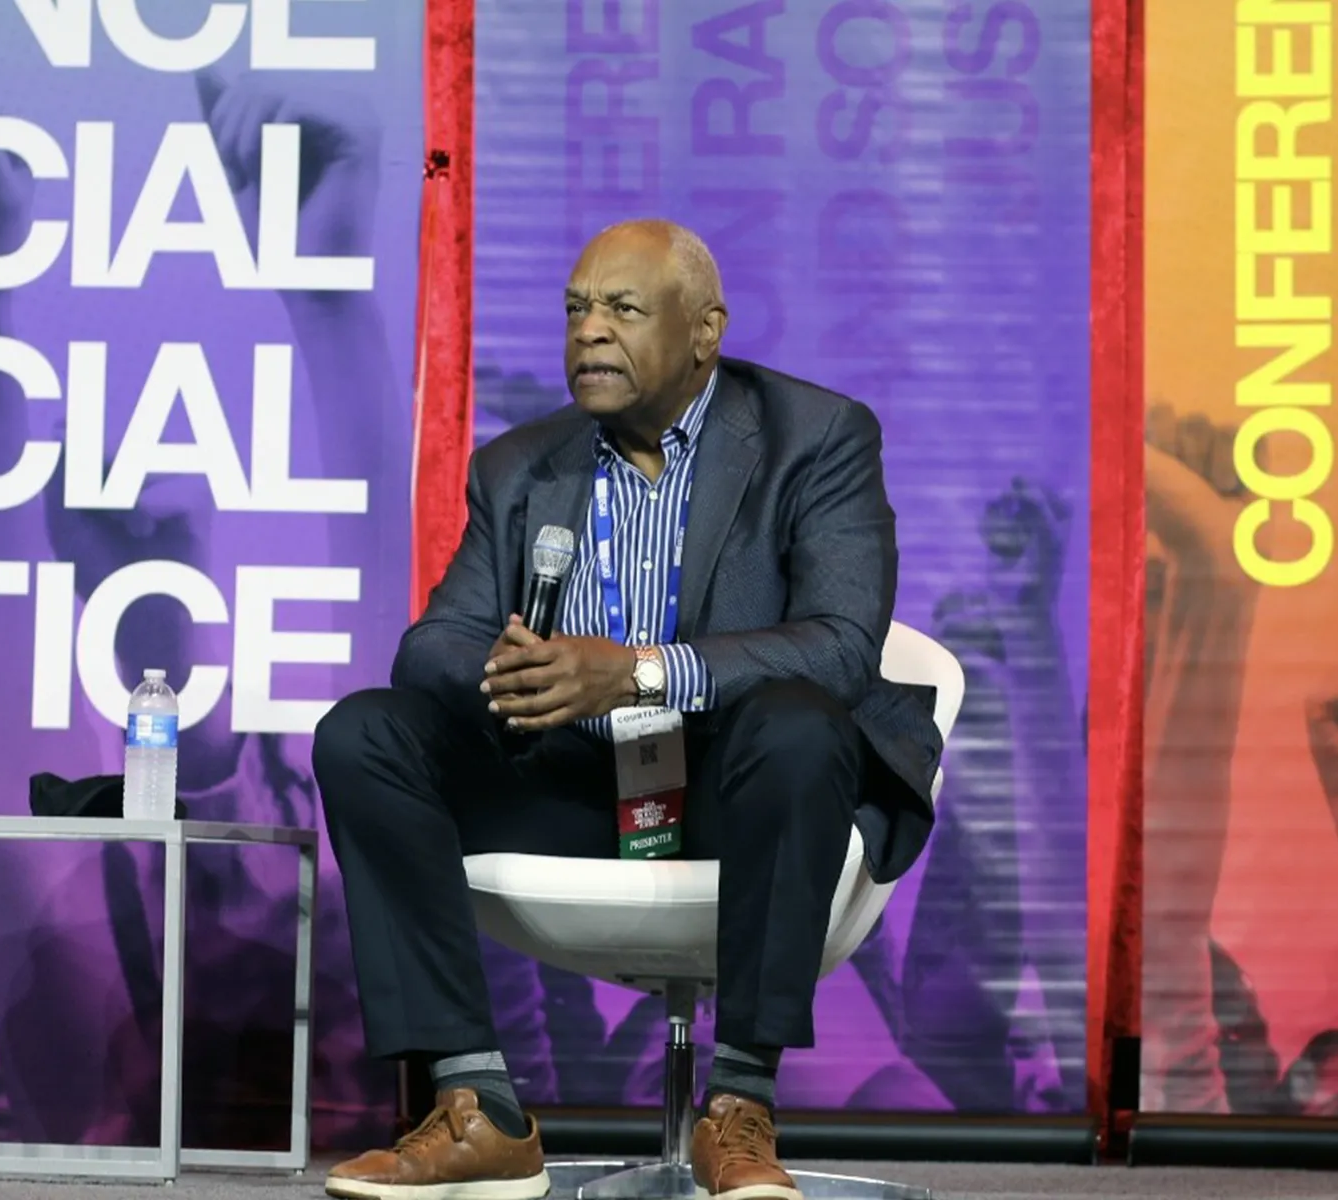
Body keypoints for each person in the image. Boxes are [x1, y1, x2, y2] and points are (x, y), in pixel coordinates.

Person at [312, 219, 942, 1200]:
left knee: (800, 719)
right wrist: (516, 672)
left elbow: (842, 643)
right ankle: (476, 1104)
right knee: (365, 732)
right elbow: (430, 646)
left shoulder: (816, 437)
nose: (589, 331)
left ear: (705, 331)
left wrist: (641, 672)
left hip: (741, 796)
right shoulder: (521, 467)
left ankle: (739, 1107)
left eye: (622, 309)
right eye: (574, 310)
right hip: (577, 787)